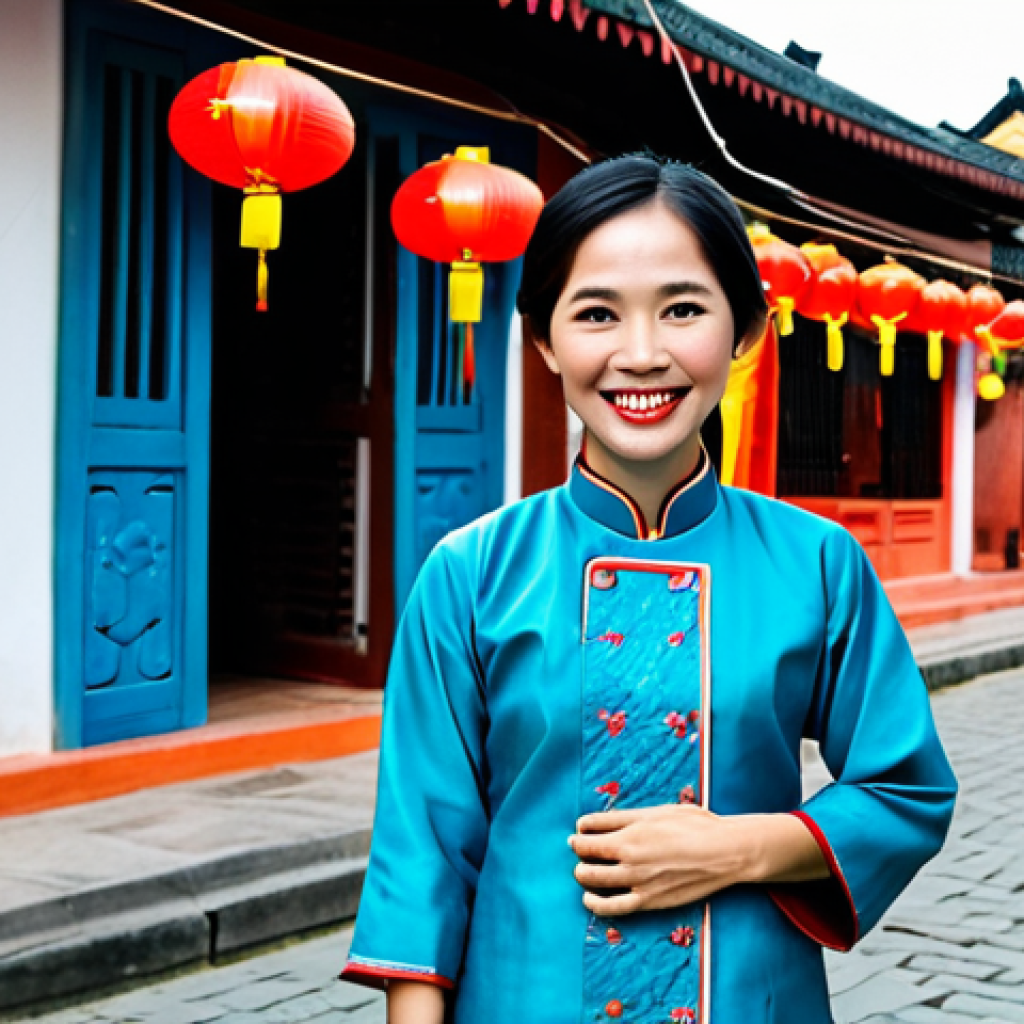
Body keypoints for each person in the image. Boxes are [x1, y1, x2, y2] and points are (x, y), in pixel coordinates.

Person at [339, 154, 958, 1024]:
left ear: (744, 329)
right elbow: (425, 854)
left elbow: (907, 789)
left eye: (682, 310)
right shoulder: (471, 573)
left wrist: (738, 850)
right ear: (545, 340)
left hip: (753, 998)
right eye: (596, 314)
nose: (641, 355)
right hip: (523, 997)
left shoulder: (817, 561)